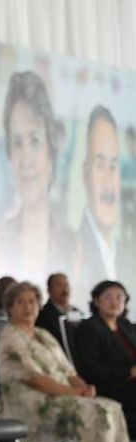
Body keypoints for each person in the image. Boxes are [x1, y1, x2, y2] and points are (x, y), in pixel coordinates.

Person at [0, 282, 134, 442]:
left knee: (111, 406)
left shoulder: (43, 335)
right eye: (20, 302)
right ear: (10, 308)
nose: (28, 307)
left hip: (61, 396)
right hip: (32, 403)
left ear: (39, 306)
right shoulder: (9, 338)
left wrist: (83, 388)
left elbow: (69, 372)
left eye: (32, 302)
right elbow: (33, 379)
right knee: (98, 411)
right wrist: (73, 393)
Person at [0, 71, 76, 280]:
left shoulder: (73, 247)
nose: (26, 159)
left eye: (35, 140)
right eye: (17, 143)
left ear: (51, 152)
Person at [73, 281, 136, 437]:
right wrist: (128, 372)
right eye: (108, 297)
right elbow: (91, 368)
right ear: (96, 301)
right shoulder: (89, 328)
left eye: (119, 297)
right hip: (109, 385)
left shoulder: (125, 325)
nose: (114, 302)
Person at [76, 106, 122, 299]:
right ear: (85, 173)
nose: (108, 180)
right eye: (100, 165)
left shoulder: (123, 250)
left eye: (113, 166)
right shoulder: (76, 249)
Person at [36, 273, 81, 342]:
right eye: (59, 285)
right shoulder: (43, 314)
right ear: (49, 290)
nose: (65, 289)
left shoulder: (76, 311)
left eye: (66, 285)